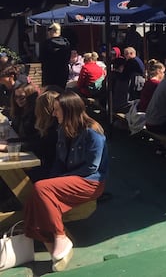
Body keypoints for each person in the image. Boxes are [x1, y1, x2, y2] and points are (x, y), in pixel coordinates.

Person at [24, 91, 108, 272]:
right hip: (72, 179)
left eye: (57, 110)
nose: (54, 114)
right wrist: (53, 180)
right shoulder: (63, 130)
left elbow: (91, 168)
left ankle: (60, 237)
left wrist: (55, 182)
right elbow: (59, 162)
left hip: (90, 182)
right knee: (36, 194)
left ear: (69, 110)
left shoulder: (93, 132)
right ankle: (54, 247)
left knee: (41, 189)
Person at [40, 23, 71, 88]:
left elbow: (42, 58)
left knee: (49, 93)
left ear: (52, 31)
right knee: (61, 91)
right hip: (63, 72)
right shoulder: (66, 42)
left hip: (49, 72)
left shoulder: (46, 43)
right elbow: (68, 57)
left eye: (48, 31)